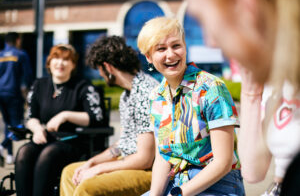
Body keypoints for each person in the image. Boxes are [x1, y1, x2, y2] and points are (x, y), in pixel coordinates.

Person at [184, 0, 300, 195]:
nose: (209, 42)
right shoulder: (278, 81)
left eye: (203, 19)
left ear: (245, 6)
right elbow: (253, 172)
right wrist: (250, 94)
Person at [137, 17, 244, 196]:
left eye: (176, 46)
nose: (170, 55)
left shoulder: (211, 87)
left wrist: (178, 194)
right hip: (175, 184)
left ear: (185, 47)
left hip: (218, 185)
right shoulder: (156, 97)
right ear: (148, 57)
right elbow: (163, 158)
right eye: (161, 49)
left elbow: (223, 163)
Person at [60, 36, 158, 196]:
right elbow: (124, 143)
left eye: (99, 69)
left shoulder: (144, 92)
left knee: (88, 187)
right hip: (130, 162)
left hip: (150, 170)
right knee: (71, 172)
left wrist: (98, 169)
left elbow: (145, 159)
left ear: (108, 67)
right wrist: (92, 162)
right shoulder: (127, 95)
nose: (100, 75)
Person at [14, 44, 105, 196]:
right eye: (56, 58)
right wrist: (37, 129)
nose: (60, 63)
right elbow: (31, 117)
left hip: (74, 142)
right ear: (49, 62)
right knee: (25, 152)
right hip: (45, 139)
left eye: (66, 60)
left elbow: (96, 117)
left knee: (49, 153)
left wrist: (65, 115)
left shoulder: (83, 87)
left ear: (73, 65)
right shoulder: (39, 85)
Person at [0, 32, 33, 164]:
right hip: (14, 94)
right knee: (17, 124)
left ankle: (9, 156)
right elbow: (28, 75)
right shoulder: (20, 54)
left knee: (7, 123)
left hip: (1, 93)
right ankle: (2, 145)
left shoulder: (1, 55)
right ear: (18, 40)